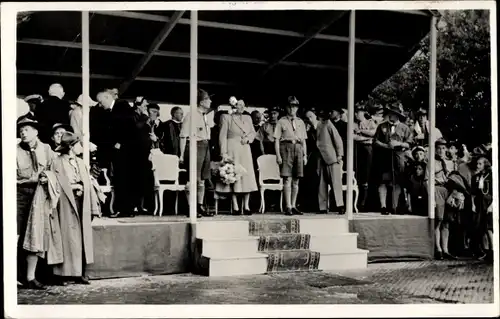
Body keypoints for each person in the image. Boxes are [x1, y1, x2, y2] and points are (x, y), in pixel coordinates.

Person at [52, 132, 101, 284]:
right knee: (67, 236)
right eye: (78, 144)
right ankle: (63, 274)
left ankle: (79, 272)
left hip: (82, 200)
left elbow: (88, 183)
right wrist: (74, 186)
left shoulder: (80, 162)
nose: (81, 146)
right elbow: (55, 182)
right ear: (71, 147)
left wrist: (93, 206)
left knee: (81, 236)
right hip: (65, 200)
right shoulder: (57, 162)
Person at [17, 118, 57, 290]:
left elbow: (55, 170)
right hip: (18, 195)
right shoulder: (13, 150)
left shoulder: (47, 149)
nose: (23, 133)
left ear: (36, 132)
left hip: (39, 196)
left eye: (26, 129)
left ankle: (31, 277)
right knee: (16, 236)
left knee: (35, 235)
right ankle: (14, 276)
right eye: (21, 131)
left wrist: (46, 177)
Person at [96, 90, 136, 218]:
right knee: (121, 178)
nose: (101, 105)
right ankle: (125, 208)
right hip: (119, 150)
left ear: (107, 97)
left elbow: (128, 126)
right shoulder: (112, 110)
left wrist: (120, 142)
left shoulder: (122, 106)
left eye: (101, 102)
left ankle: (125, 209)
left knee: (123, 179)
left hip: (125, 150)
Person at [217, 99, 258, 215]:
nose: (241, 107)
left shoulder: (248, 118)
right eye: (239, 105)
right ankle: (235, 205)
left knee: (246, 175)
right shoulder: (226, 117)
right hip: (232, 148)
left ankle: (246, 206)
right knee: (233, 175)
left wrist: (248, 139)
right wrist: (223, 153)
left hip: (245, 148)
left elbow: (253, 132)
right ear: (233, 105)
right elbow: (222, 136)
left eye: (243, 105)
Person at [373, 103, 413, 215]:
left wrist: (398, 143)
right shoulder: (382, 126)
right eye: (389, 113)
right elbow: (375, 141)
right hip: (384, 157)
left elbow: (409, 144)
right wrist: (385, 146)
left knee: (398, 182)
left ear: (397, 115)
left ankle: (394, 206)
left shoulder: (405, 128)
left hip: (399, 157)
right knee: (383, 181)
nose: (390, 115)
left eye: (392, 114)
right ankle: (383, 206)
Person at [179, 89, 214, 218]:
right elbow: (183, 135)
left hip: (205, 145)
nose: (210, 101)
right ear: (201, 102)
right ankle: (190, 207)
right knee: (193, 178)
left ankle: (199, 205)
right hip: (195, 145)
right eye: (208, 99)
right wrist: (182, 154)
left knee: (202, 180)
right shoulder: (191, 115)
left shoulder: (204, 115)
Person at [274, 96, 307, 216]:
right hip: (286, 148)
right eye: (290, 106)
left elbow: (303, 140)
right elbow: (276, 140)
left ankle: (293, 205)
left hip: (298, 148)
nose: (292, 109)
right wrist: (278, 155)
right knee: (287, 178)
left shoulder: (300, 122)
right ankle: (287, 206)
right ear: (286, 108)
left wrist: (305, 155)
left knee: (296, 179)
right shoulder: (281, 121)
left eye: (295, 106)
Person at [426, 138, 455, 260]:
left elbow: (455, 180)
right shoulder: (431, 162)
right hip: (436, 189)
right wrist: (431, 197)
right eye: (438, 148)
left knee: (447, 222)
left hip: (448, 191)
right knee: (438, 220)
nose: (441, 150)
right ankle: (438, 249)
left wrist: (453, 195)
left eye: (443, 148)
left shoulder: (450, 163)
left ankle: (446, 249)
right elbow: (427, 181)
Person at [316, 108, 344, 214]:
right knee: (321, 184)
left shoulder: (328, 124)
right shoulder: (315, 126)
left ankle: (340, 205)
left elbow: (338, 140)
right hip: (320, 157)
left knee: (336, 182)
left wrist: (339, 155)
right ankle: (322, 207)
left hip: (332, 157)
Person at [353, 105, 377, 209]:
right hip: (358, 149)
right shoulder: (354, 124)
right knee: (358, 173)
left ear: (363, 113)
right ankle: (357, 201)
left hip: (368, 149)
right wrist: (366, 138)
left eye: (358, 112)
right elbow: (353, 137)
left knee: (367, 173)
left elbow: (374, 134)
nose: (356, 114)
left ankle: (365, 202)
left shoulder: (370, 122)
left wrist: (361, 132)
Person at [471, 149, 493, 262]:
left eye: (480, 163)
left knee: (489, 227)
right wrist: (473, 205)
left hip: (488, 202)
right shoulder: (476, 177)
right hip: (479, 203)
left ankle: (493, 250)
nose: (478, 165)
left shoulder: (491, 175)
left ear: (485, 164)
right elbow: (473, 193)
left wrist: (492, 205)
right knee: (481, 228)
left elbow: (494, 192)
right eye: (477, 164)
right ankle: (486, 250)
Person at [300, 108, 320, 212]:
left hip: (317, 156)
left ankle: (316, 205)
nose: (309, 119)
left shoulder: (320, 126)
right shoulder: (307, 129)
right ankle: (306, 205)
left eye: (311, 117)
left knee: (316, 180)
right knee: (306, 179)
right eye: (307, 118)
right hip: (309, 156)